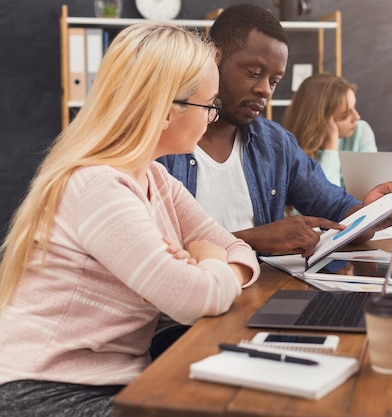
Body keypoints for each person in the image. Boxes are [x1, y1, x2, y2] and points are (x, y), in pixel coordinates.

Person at [0, 22, 260, 417]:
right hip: (46, 391)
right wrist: (208, 264)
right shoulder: (97, 187)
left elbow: (239, 252)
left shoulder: (157, 178)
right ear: (166, 109)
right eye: (209, 105)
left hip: (117, 380)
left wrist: (210, 266)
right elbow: (193, 300)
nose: (212, 118)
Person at [157, 4, 392, 258]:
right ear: (215, 60)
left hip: (265, 291)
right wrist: (253, 239)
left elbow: (339, 211)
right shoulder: (163, 143)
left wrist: (372, 212)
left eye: (274, 81)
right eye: (254, 73)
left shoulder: (275, 144)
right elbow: (151, 254)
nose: (266, 90)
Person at [283, 73, 377, 187]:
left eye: (354, 108)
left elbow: (371, 190)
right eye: (345, 114)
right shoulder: (290, 147)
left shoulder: (361, 131)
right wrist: (331, 145)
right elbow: (324, 200)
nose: (357, 117)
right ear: (319, 119)